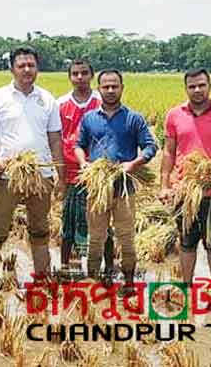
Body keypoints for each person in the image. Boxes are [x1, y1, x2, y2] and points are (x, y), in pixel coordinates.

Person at [0, 46, 65, 290]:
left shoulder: (47, 99)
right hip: (9, 174)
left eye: (31, 65)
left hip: (41, 173)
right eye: (21, 65)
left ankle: (42, 282)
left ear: (37, 68)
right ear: (12, 69)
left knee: (40, 230)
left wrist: (60, 175)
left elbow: (55, 139)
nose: (27, 70)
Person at [75, 69, 158, 296]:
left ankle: (129, 282)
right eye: (106, 87)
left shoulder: (134, 118)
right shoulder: (89, 118)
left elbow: (151, 147)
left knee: (126, 237)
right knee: (96, 238)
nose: (110, 90)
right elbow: (78, 145)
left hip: (124, 186)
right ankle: (92, 281)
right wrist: (84, 163)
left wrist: (134, 163)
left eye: (115, 86)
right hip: (97, 188)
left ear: (122, 88)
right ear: (99, 89)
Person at [159, 69, 211, 293]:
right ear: (186, 88)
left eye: (201, 85)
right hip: (183, 192)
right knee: (186, 241)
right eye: (192, 86)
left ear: (210, 86)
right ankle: (186, 287)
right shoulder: (174, 115)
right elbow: (168, 151)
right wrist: (164, 185)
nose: (197, 90)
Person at [56, 59, 115, 277]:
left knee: (102, 223)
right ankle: (66, 268)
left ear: (91, 76)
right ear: (70, 77)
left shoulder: (103, 101)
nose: (79, 77)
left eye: (84, 73)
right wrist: (59, 175)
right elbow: (56, 138)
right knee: (69, 224)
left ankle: (107, 268)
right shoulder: (60, 103)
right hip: (72, 173)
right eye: (75, 73)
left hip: (100, 175)